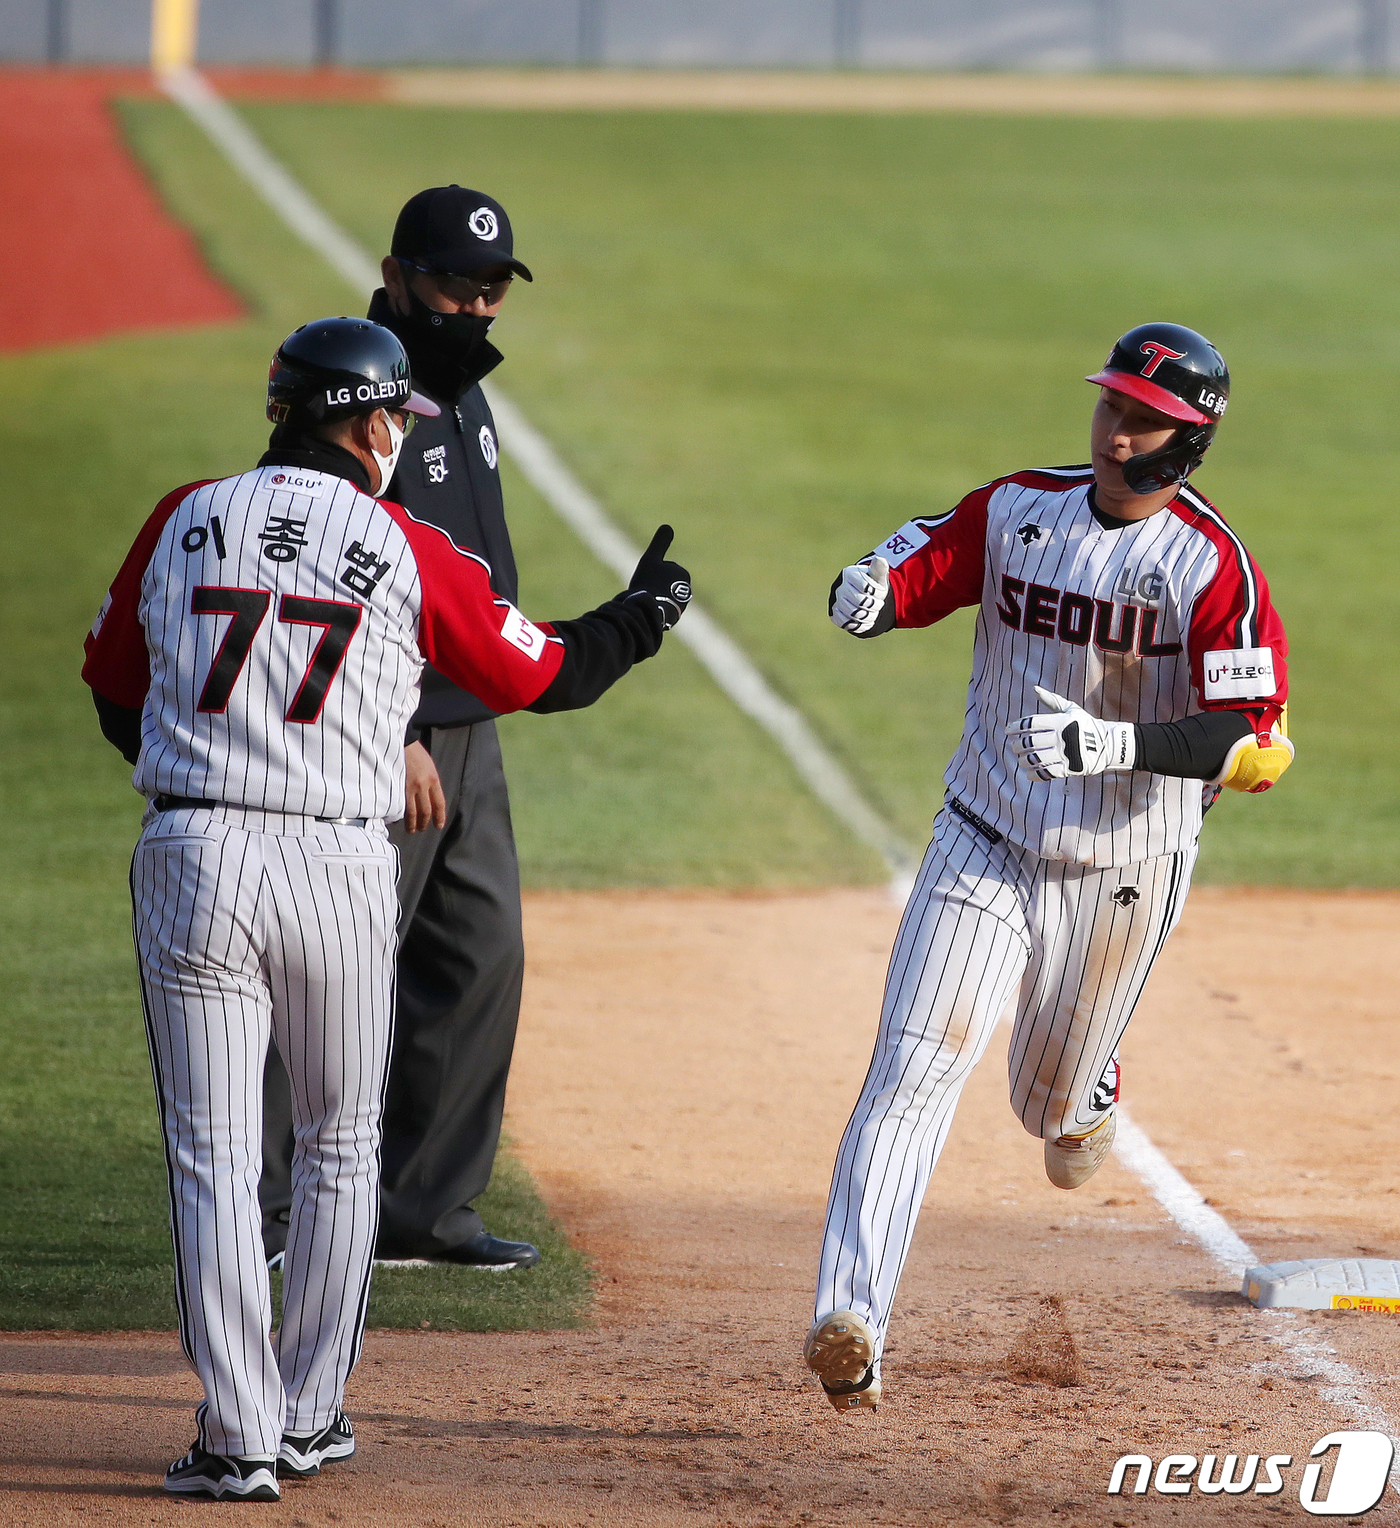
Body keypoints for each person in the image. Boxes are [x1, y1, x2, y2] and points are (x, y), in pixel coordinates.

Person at [82, 317, 690, 1499]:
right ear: (363, 425)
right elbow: (546, 674)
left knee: (211, 1160)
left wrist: (199, 773)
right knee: (340, 1144)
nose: (394, 443)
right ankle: (308, 1412)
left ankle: (235, 1433)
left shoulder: (180, 516)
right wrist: (643, 613)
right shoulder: (402, 542)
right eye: (390, 425)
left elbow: (116, 690)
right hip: (338, 869)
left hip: (193, 851)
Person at [803, 323, 1292, 1412]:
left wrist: (1115, 742)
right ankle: (852, 1319)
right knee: (911, 1069)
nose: (1114, 431)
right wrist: (872, 590)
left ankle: (1088, 1088)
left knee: (1048, 1111)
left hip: (1122, 865)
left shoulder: (1208, 567)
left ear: (1188, 438)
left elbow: (1257, 741)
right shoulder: (1020, 507)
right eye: (1108, 407)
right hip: (981, 835)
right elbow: (920, 558)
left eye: (1139, 418)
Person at [259, 186, 566, 1269]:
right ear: (393, 276)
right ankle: (275, 1220)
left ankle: (421, 1211)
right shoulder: (356, 391)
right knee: (329, 971)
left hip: (469, 729)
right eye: (452, 284)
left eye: (491, 289)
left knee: (478, 958)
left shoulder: (461, 389)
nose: (474, 305)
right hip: (388, 737)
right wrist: (392, 727)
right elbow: (311, 569)